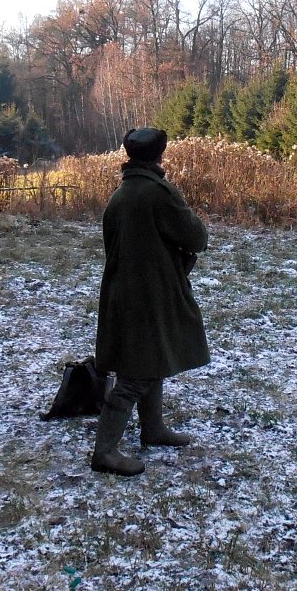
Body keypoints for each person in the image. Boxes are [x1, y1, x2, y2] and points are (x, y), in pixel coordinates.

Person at [92, 127, 210, 476]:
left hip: (126, 291)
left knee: (151, 358)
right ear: (159, 155)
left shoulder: (122, 194)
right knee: (135, 375)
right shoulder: (158, 193)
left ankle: (153, 428)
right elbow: (196, 237)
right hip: (149, 295)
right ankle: (104, 452)